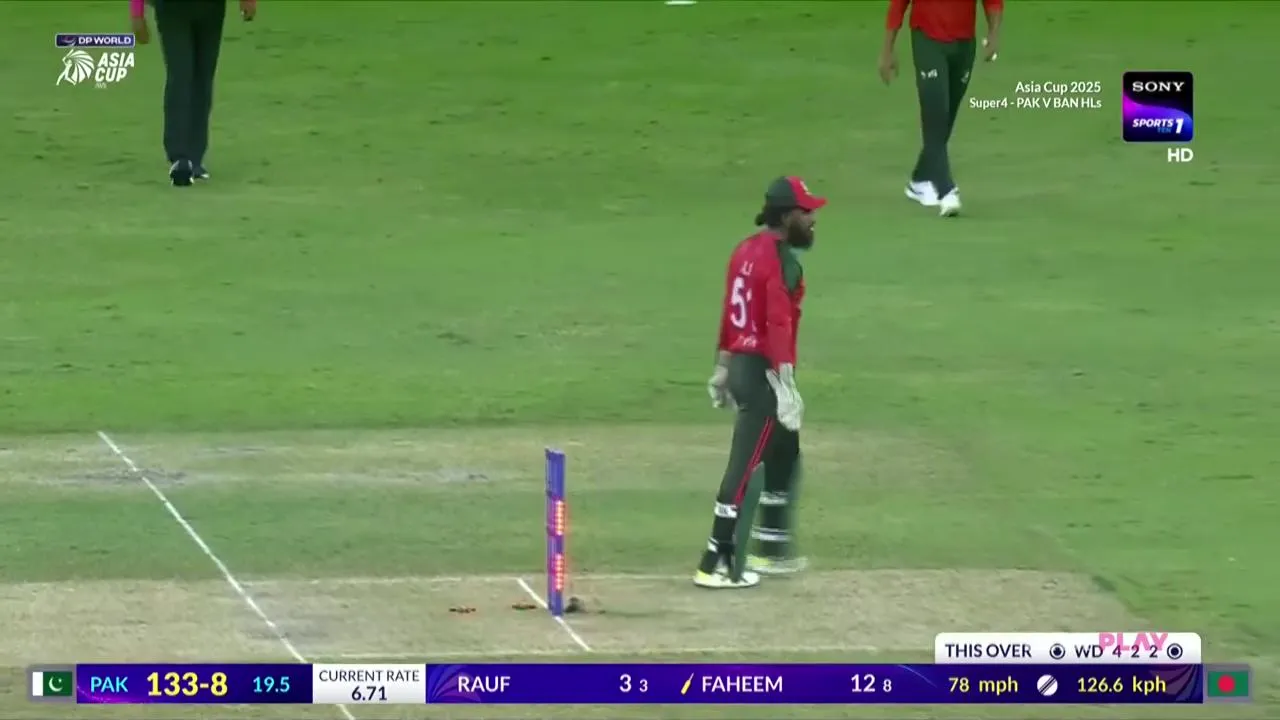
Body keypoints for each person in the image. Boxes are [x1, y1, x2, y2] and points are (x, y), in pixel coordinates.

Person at [697, 176, 822, 589]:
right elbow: (777, 323)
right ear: (787, 217)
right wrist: (785, 381)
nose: (813, 219)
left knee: (785, 448)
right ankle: (716, 560)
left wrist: (722, 366)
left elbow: (730, 312)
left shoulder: (745, 250)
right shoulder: (782, 262)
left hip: (742, 365)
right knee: (745, 465)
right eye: (806, 212)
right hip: (762, 374)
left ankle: (770, 546)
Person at [879, 0, 1003, 217]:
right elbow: (898, 5)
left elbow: (993, 2)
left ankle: (919, 181)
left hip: (964, 45)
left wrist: (993, 35)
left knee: (946, 119)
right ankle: (946, 190)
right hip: (928, 40)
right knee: (935, 117)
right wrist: (887, 50)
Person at [130, 0, 257, 186]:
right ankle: (180, 157)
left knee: (203, 77)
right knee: (180, 74)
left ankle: (194, 157)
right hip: (172, 8)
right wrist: (137, 11)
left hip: (210, 7)